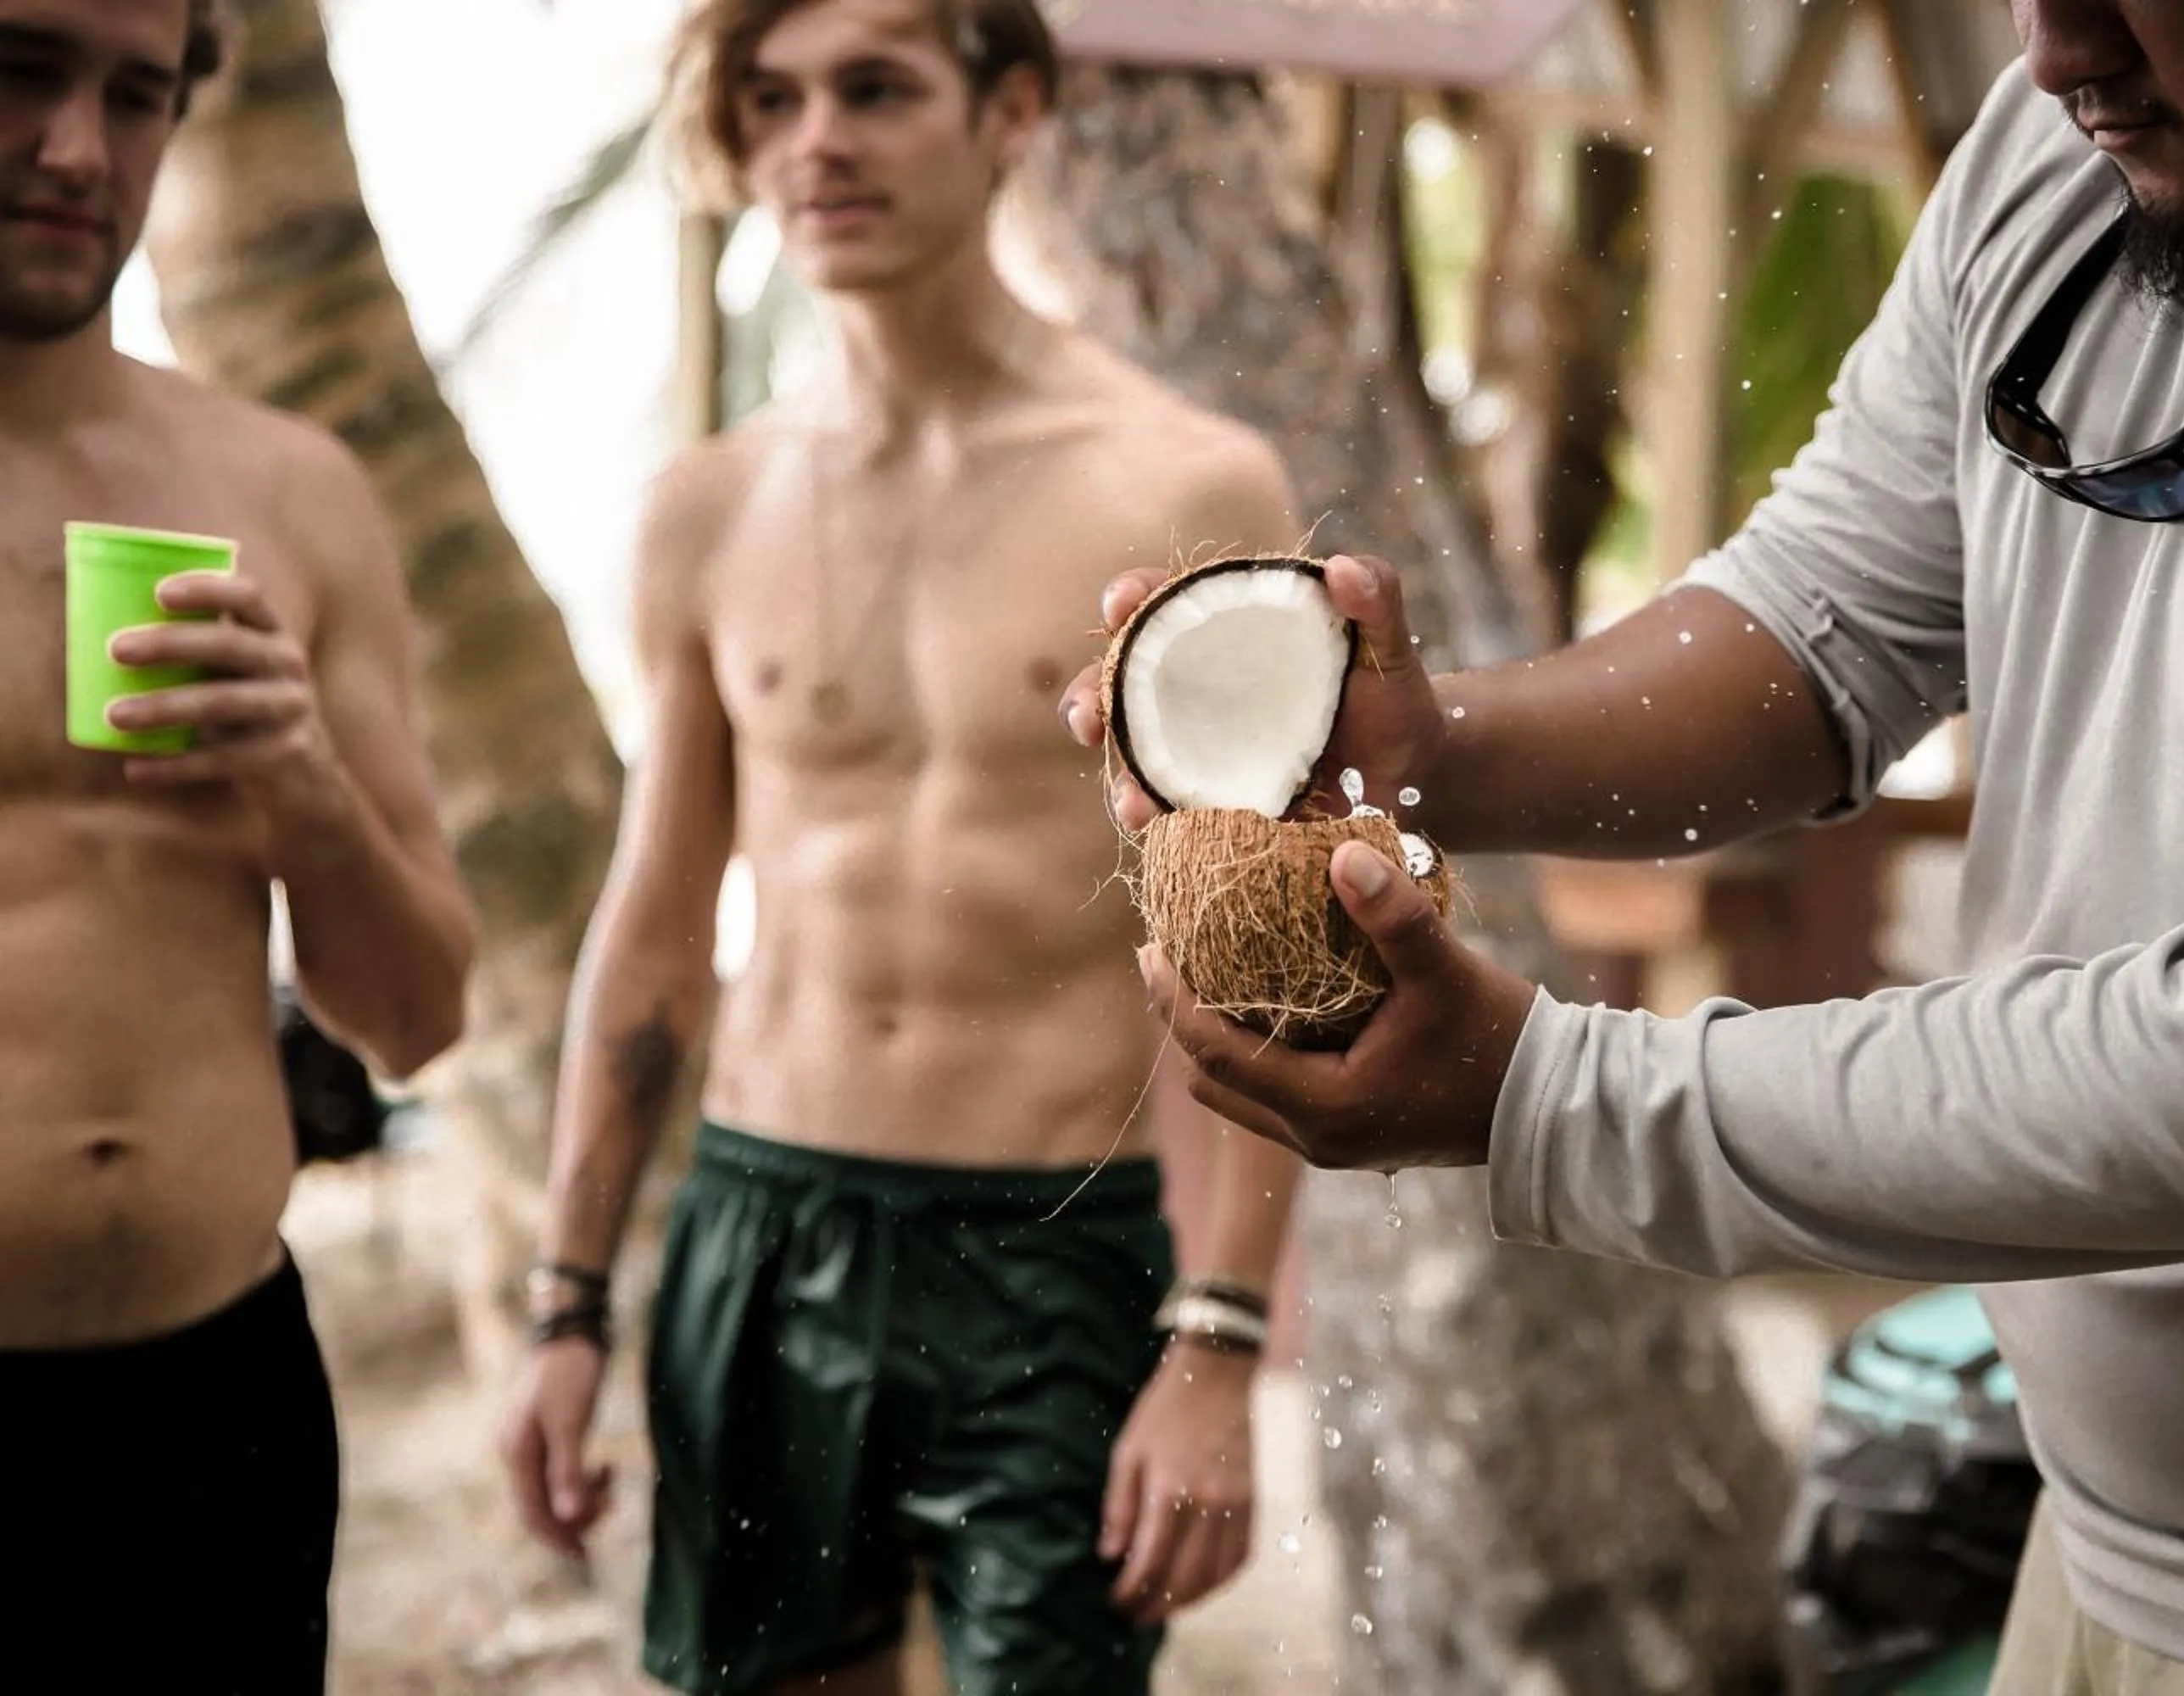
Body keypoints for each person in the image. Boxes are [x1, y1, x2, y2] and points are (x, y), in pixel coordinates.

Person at [1068, 1, 2184, 1692]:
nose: (2057, 51)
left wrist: (1542, 1098)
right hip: (2099, 1539)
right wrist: (1436, 748)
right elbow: (1820, 628)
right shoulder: (2063, 158)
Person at [499, 3, 1305, 1693]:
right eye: (773, 101)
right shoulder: (709, 505)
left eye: (875, 90)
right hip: (760, 1211)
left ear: (1012, 110)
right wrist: (568, 1305)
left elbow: (1264, 950)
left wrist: (1219, 1346)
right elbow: (653, 924)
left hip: (1048, 1248)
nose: (815, 143)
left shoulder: (1182, 486)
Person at [0, 0, 477, 1688]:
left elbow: (415, 1018)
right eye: (22, 68)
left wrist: (306, 791)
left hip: (216, 1403)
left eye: (137, 96)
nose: (77, 147)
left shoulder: (279, 488)